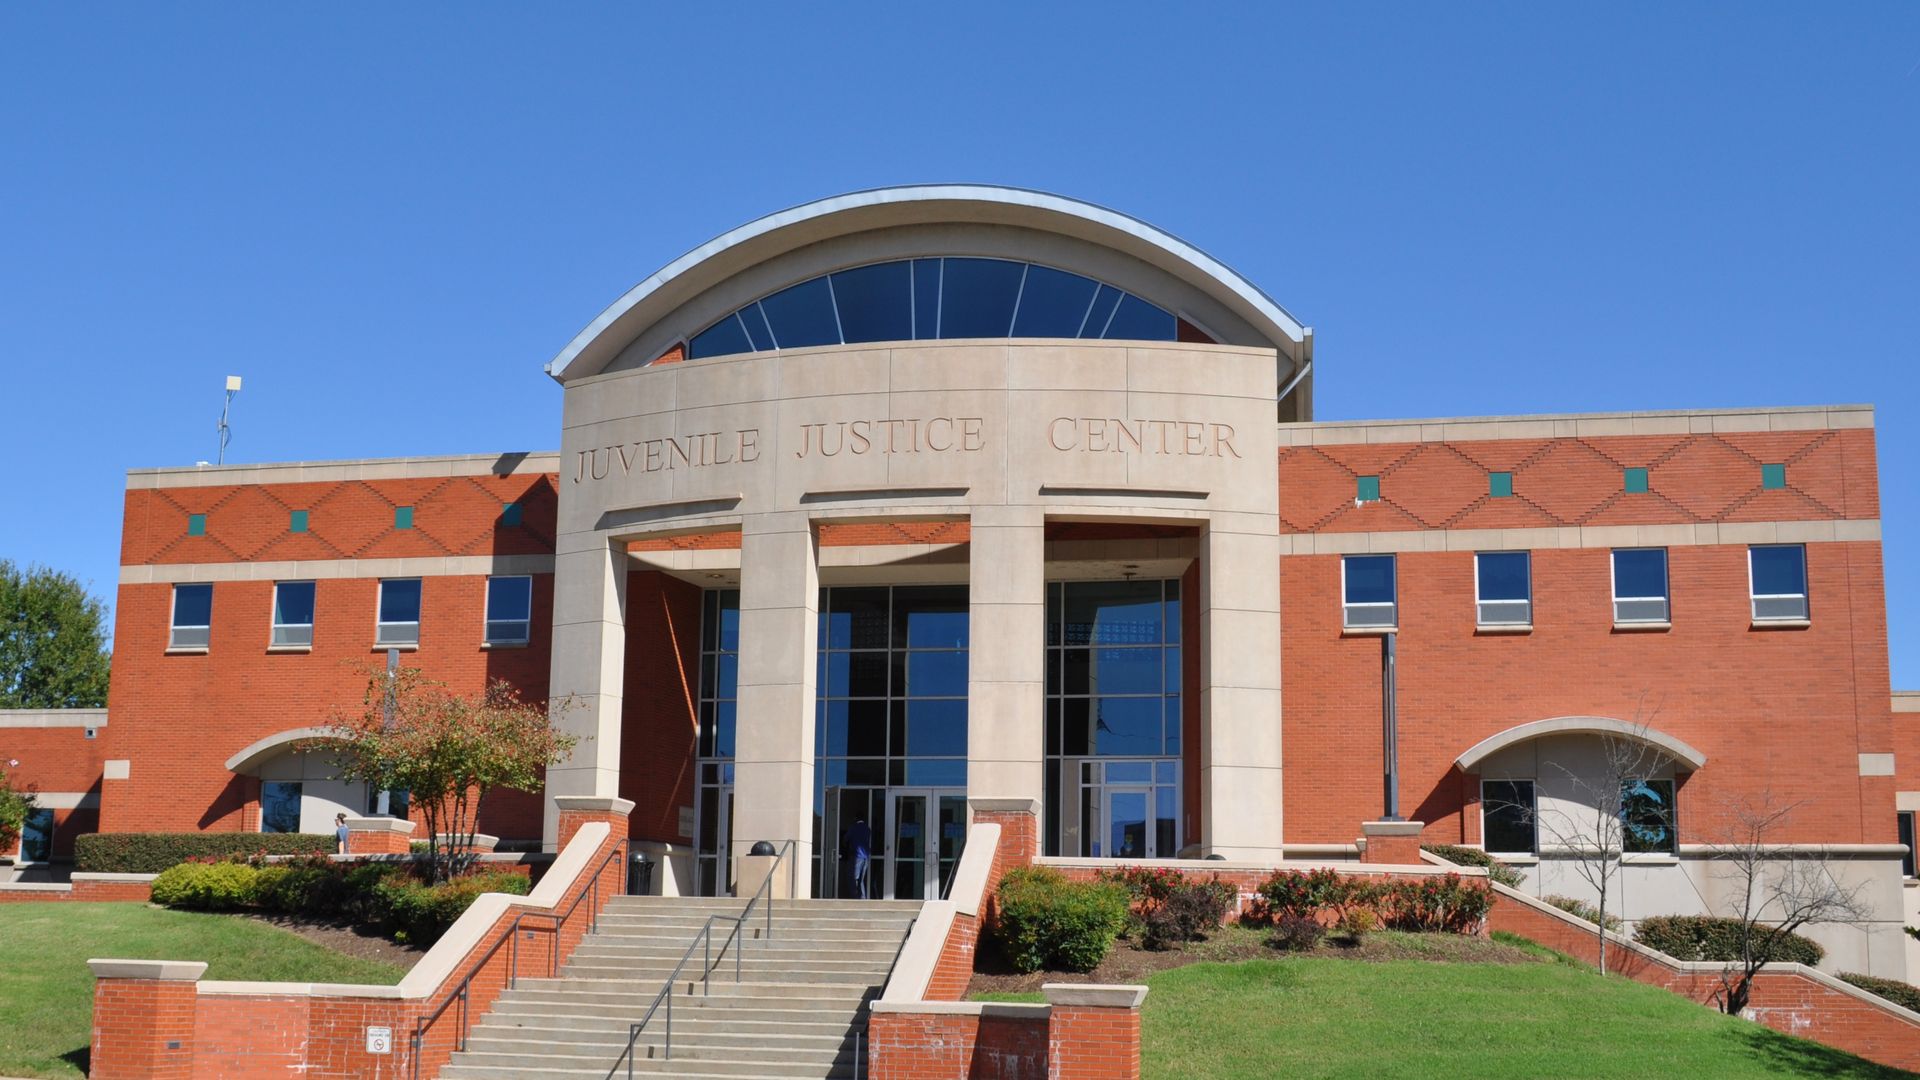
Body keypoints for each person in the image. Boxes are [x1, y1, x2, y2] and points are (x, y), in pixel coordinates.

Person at [845, 817, 872, 899]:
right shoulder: (868, 829)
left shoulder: (853, 828)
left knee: (854, 878)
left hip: (857, 856)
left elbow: (845, 839)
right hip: (866, 857)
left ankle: (855, 897)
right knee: (861, 879)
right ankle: (863, 897)